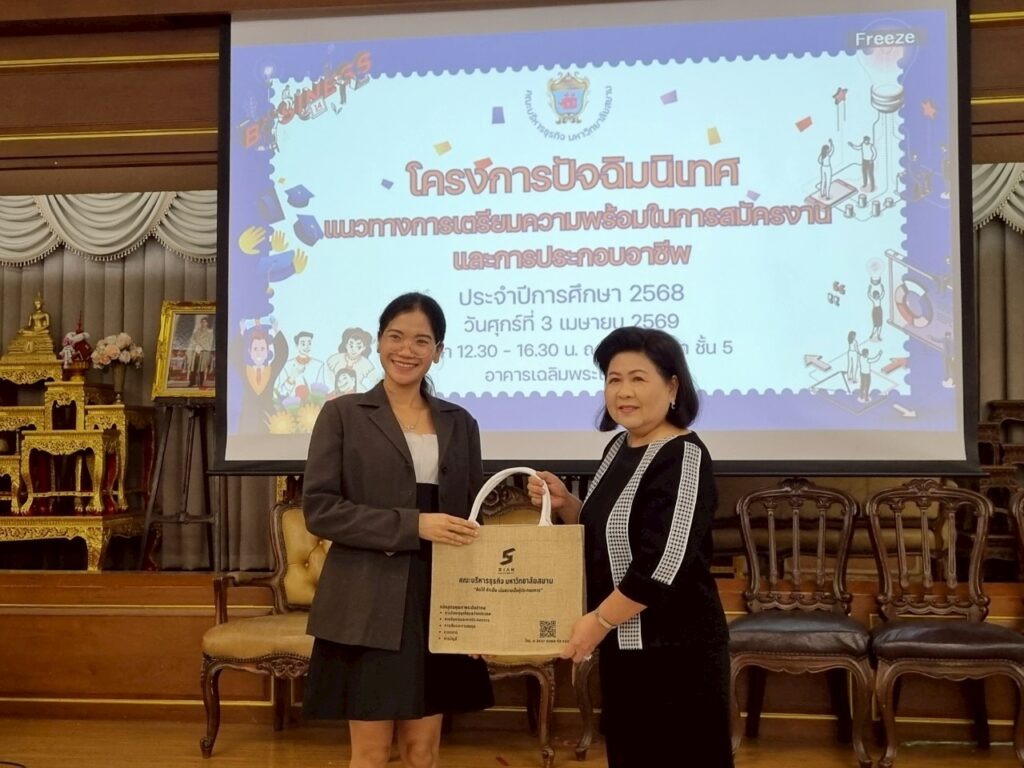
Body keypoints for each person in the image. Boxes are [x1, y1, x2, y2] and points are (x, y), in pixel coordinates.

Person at [526, 327, 733, 768]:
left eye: (638, 378)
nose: (623, 392)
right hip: (625, 647)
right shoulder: (619, 446)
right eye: (613, 379)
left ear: (672, 386)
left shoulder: (683, 456)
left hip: (677, 653)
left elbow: (661, 566)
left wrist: (598, 621)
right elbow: (608, 532)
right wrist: (565, 504)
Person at [302, 292, 493, 768]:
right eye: (396, 337)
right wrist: (414, 525)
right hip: (367, 600)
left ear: (438, 351)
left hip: (441, 600)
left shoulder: (461, 422)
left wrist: (480, 613)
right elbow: (321, 511)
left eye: (421, 341)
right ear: (378, 341)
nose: (407, 350)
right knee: (369, 754)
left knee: (422, 752)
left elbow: (474, 521)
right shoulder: (342, 414)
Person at [186, 315, 215, 387]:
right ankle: (192, 382)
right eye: (202, 322)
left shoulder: (210, 332)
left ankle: (200, 383)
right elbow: (192, 339)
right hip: (195, 351)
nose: (203, 323)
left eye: (205, 322)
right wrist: (195, 345)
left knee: (202, 368)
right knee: (193, 367)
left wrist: (200, 345)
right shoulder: (196, 331)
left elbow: (209, 342)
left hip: (204, 351)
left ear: (207, 323)